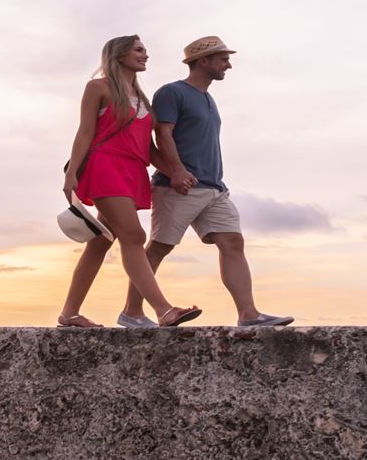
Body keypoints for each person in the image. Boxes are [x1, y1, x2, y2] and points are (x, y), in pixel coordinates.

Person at [116, 36, 294, 328]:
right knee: (160, 247)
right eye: (223, 59)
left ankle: (249, 315)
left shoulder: (208, 98)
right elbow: (162, 134)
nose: (229, 65)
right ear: (203, 60)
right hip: (179, 186)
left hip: (214, 187)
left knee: (233, 242)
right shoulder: (172, 92)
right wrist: (176, 171)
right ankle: (132, 312)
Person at [57, 36, 202, 328]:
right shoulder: (98, 87)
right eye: (138, 50)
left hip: (133, 170)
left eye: (145, 50)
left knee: (100, 242)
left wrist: (175, 171)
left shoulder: (143, 98)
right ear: (119, 54)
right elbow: (85, 132)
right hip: (106, 165)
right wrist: (72, 172)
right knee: (133, 237)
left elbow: (148, 147)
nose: (145, 55)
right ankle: (163, 309)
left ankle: (69, 314)